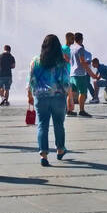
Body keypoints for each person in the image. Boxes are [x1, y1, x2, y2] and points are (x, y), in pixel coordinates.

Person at [27, 35, 70, 166]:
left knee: (42, 125)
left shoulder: (35, 61)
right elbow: (66, 81)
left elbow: (31, 80)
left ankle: (43, 155)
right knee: (58, 124)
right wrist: (69, 97)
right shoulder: (62, 62)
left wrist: (29, 94)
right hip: (58, 97)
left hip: (41, 98)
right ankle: (60, 149)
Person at [69, 32, 97, 117]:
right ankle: (81, 111)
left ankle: (69, 110)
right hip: (80, 74)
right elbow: (82, 62)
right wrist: (91, 73)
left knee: (72, 93)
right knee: (83, 92)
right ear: (81, 39)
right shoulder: (80, 48)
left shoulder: (71, 47)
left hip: (72, 73)